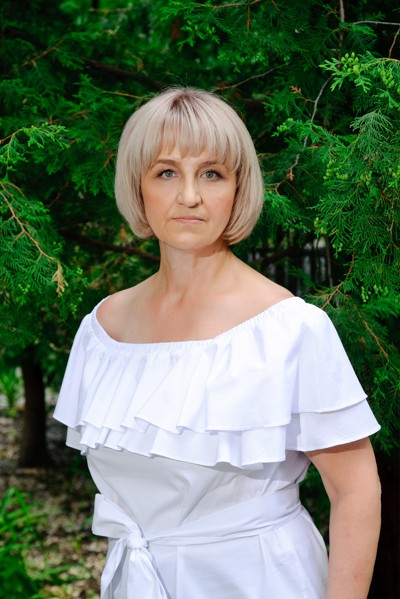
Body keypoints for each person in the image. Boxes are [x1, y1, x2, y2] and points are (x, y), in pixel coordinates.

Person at [54, 87, 381, 599]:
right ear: (138, 187)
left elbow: (355, 489)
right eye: (166, 173)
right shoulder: (103, 330)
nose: (189, 196)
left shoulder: (291, 329)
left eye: (211, 173)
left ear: (238, 188)